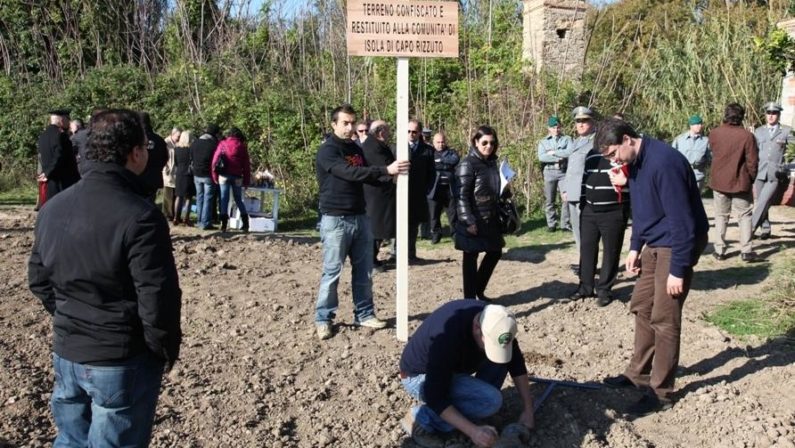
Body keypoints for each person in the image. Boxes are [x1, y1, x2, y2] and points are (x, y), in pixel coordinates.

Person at [28, 108, 182, 446]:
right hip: (119, 357)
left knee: (70, 438)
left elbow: (38, 280)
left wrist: (72, 317)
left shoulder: (53, 208)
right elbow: (158, 297)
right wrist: (163, 349)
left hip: (68, 351)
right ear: (136, 153)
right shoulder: (140, 216)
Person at [595, 118, 708, 418]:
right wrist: (635, 247)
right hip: (656, 243)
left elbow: (682, 221)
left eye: (613, 154)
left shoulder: (663, 163)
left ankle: (660, 392)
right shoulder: (637, 163)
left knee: (665, 317)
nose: (612, 161)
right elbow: (644, 209)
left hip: (676, 244)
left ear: (628, 140)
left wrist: (678, 269)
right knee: (642, 306)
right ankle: (637, 374)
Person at [314, 104, 409, 340]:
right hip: (336, 219)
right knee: (332, 271)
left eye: (352, 123)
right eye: (345, 123)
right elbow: (349, 173)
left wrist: (390, 177)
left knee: (364, 271)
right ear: (334, 124)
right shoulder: (327, 151)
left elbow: (366, 175)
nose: (350, 127)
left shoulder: (356, 150)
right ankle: (324, 318)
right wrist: (385, 169)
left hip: (360, 217)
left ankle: (364, 314)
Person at [399, 300, 534, 448]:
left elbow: (516, 364)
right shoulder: (447, 336)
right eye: (488, 343)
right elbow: (435, 395)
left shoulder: (498, 322)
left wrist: (528, 409)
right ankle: (421, 418)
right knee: (491, 401)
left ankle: (476, 411)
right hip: (418, 377)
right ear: (477, 328)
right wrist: (473, 431)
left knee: (501, 360)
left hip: (453, 368)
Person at [569, 143, 630, 306]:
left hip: (613, 211)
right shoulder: (592, 154)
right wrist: (583, 205)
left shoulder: (622, 155)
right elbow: (584, 179)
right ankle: (585, 287)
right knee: (587, 249)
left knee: (611, 251)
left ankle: (604, 290)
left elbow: (633, 180)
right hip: (589, 210)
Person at [454, 126, 506, 301]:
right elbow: (461, 195)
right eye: (484, 142)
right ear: (476, 142)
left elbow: (492, 188)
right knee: (470, 257)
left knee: (495, 251)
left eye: (492, 143)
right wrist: (468, 220)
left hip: (490, 217)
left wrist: (505, 188)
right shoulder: (467, 164)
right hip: (474, 218)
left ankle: (478, 290)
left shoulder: (492, 163)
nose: (488, 146)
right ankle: (470, 299)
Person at [708, 103, 758, 262]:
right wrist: (751, 178)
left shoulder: (714, 133)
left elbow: (714, 154)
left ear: (726, 115)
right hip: (740, 182)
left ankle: (719, 250)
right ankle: (746, 251)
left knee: (721, 216)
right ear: (741, 117)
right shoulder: (747, 136)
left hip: (719, 181)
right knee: (744, 216)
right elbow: (752, 162)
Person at [559, 106, 596, 274]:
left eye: (584, 121)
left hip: (585, 194)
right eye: (578, 121)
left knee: (587, 233)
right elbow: (570, 168)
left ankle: (588, 265)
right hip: (573, 193)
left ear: (592, 122)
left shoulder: (596, 142)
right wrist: (565, 188)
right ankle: (584, 263)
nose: (580, 125)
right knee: (578, 232)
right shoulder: (576, 142)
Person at [752, 102, 794, 240]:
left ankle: (750, 229)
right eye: (768, 113)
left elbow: (793, 152)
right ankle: (766, 228)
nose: (771, 116)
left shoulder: (786, 131)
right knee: (761, 201)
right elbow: (753, 152)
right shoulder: (759, 131)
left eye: (774, 113)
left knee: (763, 201)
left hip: (775, 173)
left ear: (779, 115)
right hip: (759, 172)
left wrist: (787, 167)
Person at [362, 120, 397, 273]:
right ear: (381, 132)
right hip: (377, 194)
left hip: (382, 193)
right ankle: (370, 262)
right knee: (376, 230)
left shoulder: (375, 145)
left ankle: (373, 259)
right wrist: (392, 175)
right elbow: (381, 168)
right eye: (388, 130)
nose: (389, 134)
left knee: (379, 229)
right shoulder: (372, 146)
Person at [212, 127, 252, 232]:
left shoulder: (222, 144)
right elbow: (246, 165)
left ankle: (224, 225)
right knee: (238, 199)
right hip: (237, 176)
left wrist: (215, 176)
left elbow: (215, 161)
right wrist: (246, 181)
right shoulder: (242, 146)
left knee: (224, 199)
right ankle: (245, 223)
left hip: (224, 175)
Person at [537, 116, 572, 232]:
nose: (556, 129)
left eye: (558, 127)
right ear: (549, 128)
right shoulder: (543, 142)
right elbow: (542, 157)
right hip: (549, 172)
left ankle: (565, 224)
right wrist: (558, 157)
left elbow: (570, 152)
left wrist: (553, 153)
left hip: (563, 172)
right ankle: (551, 224)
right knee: (550, 200)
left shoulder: (567, 139)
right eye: (553, 127)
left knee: (566, 198)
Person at [407, 119, 436, 261]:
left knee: (413, 226)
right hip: (400, 193)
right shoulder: (396, 148)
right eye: (408, 131)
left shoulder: (428, 151)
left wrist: (427, 191)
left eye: (414, 132)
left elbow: (432, 173)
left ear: (419, 133)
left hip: (418, 194)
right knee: (398, 224)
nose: (411, 134)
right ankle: (396, 253)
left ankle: (411, 254)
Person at [37, 109, 80, 202]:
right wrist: (48, 172)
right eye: (68, 119)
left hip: (50, 182)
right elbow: (59, 156)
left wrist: (46, 173)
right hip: (64, 182)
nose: (69, 122)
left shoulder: (42, 136)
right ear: (61, 120)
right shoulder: (61, 136)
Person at [427, 132, 460, 244]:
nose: (441, 144)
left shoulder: (452, 152)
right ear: (433, 142)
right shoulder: (430, 153)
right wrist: (446, 165)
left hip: (449, 189)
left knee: (452, 214)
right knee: (434, 214)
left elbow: (455, 160)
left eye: (442, 142)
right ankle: (436, 234)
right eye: (438, 142)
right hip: (434, 189)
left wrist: (440, 161)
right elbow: (431, 166)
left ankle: (455, 235)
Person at [191, 124, 221, 230]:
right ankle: (205, 222)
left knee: (199, 197)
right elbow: (217, 160)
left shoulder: (195, 142)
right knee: (208, 198)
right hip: (208, 174)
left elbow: (192, 157)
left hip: (196, 173)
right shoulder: (214, 144)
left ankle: (199, 220)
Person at [672, 114, 711, 192]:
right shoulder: (679, 140)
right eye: (697, 124)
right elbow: (672, 157)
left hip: (698, 176)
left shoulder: (706, 141)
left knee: (696, 201)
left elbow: (710, 157)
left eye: (701, 124)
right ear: (691, 125)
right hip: (682, 174)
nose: (699, 126)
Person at [138, 112, 168, 203]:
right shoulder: (159, 140)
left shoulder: (135, 138)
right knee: (150, 202)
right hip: (154, 176)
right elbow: (165, 157)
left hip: (138, 176)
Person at [173, 130, 195, 226]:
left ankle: (176, 217)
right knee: (188, 197)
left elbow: (176, 162)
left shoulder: (176, 149)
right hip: (188, 173)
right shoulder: (191, 149)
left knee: (178, 196)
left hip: (179, 173)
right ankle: (186, 218)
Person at [162, 127, 182, 220]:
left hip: (176, 171)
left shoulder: (179, 143)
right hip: (168, 171)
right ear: (172, 134)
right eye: (178, 136)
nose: (179, 138)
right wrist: (165, 166)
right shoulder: (166, 142)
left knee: (175, 194)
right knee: (167, 194)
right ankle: (167, 214)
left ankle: (173, 213)